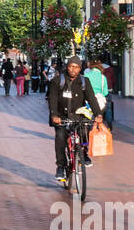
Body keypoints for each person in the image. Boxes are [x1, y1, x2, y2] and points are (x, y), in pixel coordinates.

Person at [47, 55, 102, 183]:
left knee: (84, 131)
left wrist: (98, 114)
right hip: (61, 117)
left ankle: (84, 153)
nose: (73, 69)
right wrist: (54, 115)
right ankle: (60, 167)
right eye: (71, 66)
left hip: (78, 116)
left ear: (80, 68)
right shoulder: (57, 81)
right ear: (67, 66)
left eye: (76, 67)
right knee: (60, 137)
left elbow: (92, 99)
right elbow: (53, 99)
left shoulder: (84, 82)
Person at [84, 58, 110, 133]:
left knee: (88, 119)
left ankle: (89, 134)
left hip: (88, 101)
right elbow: (105, 92)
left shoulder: (87, 75)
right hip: (100, 102)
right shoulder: (103, 77)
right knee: (98, 118)